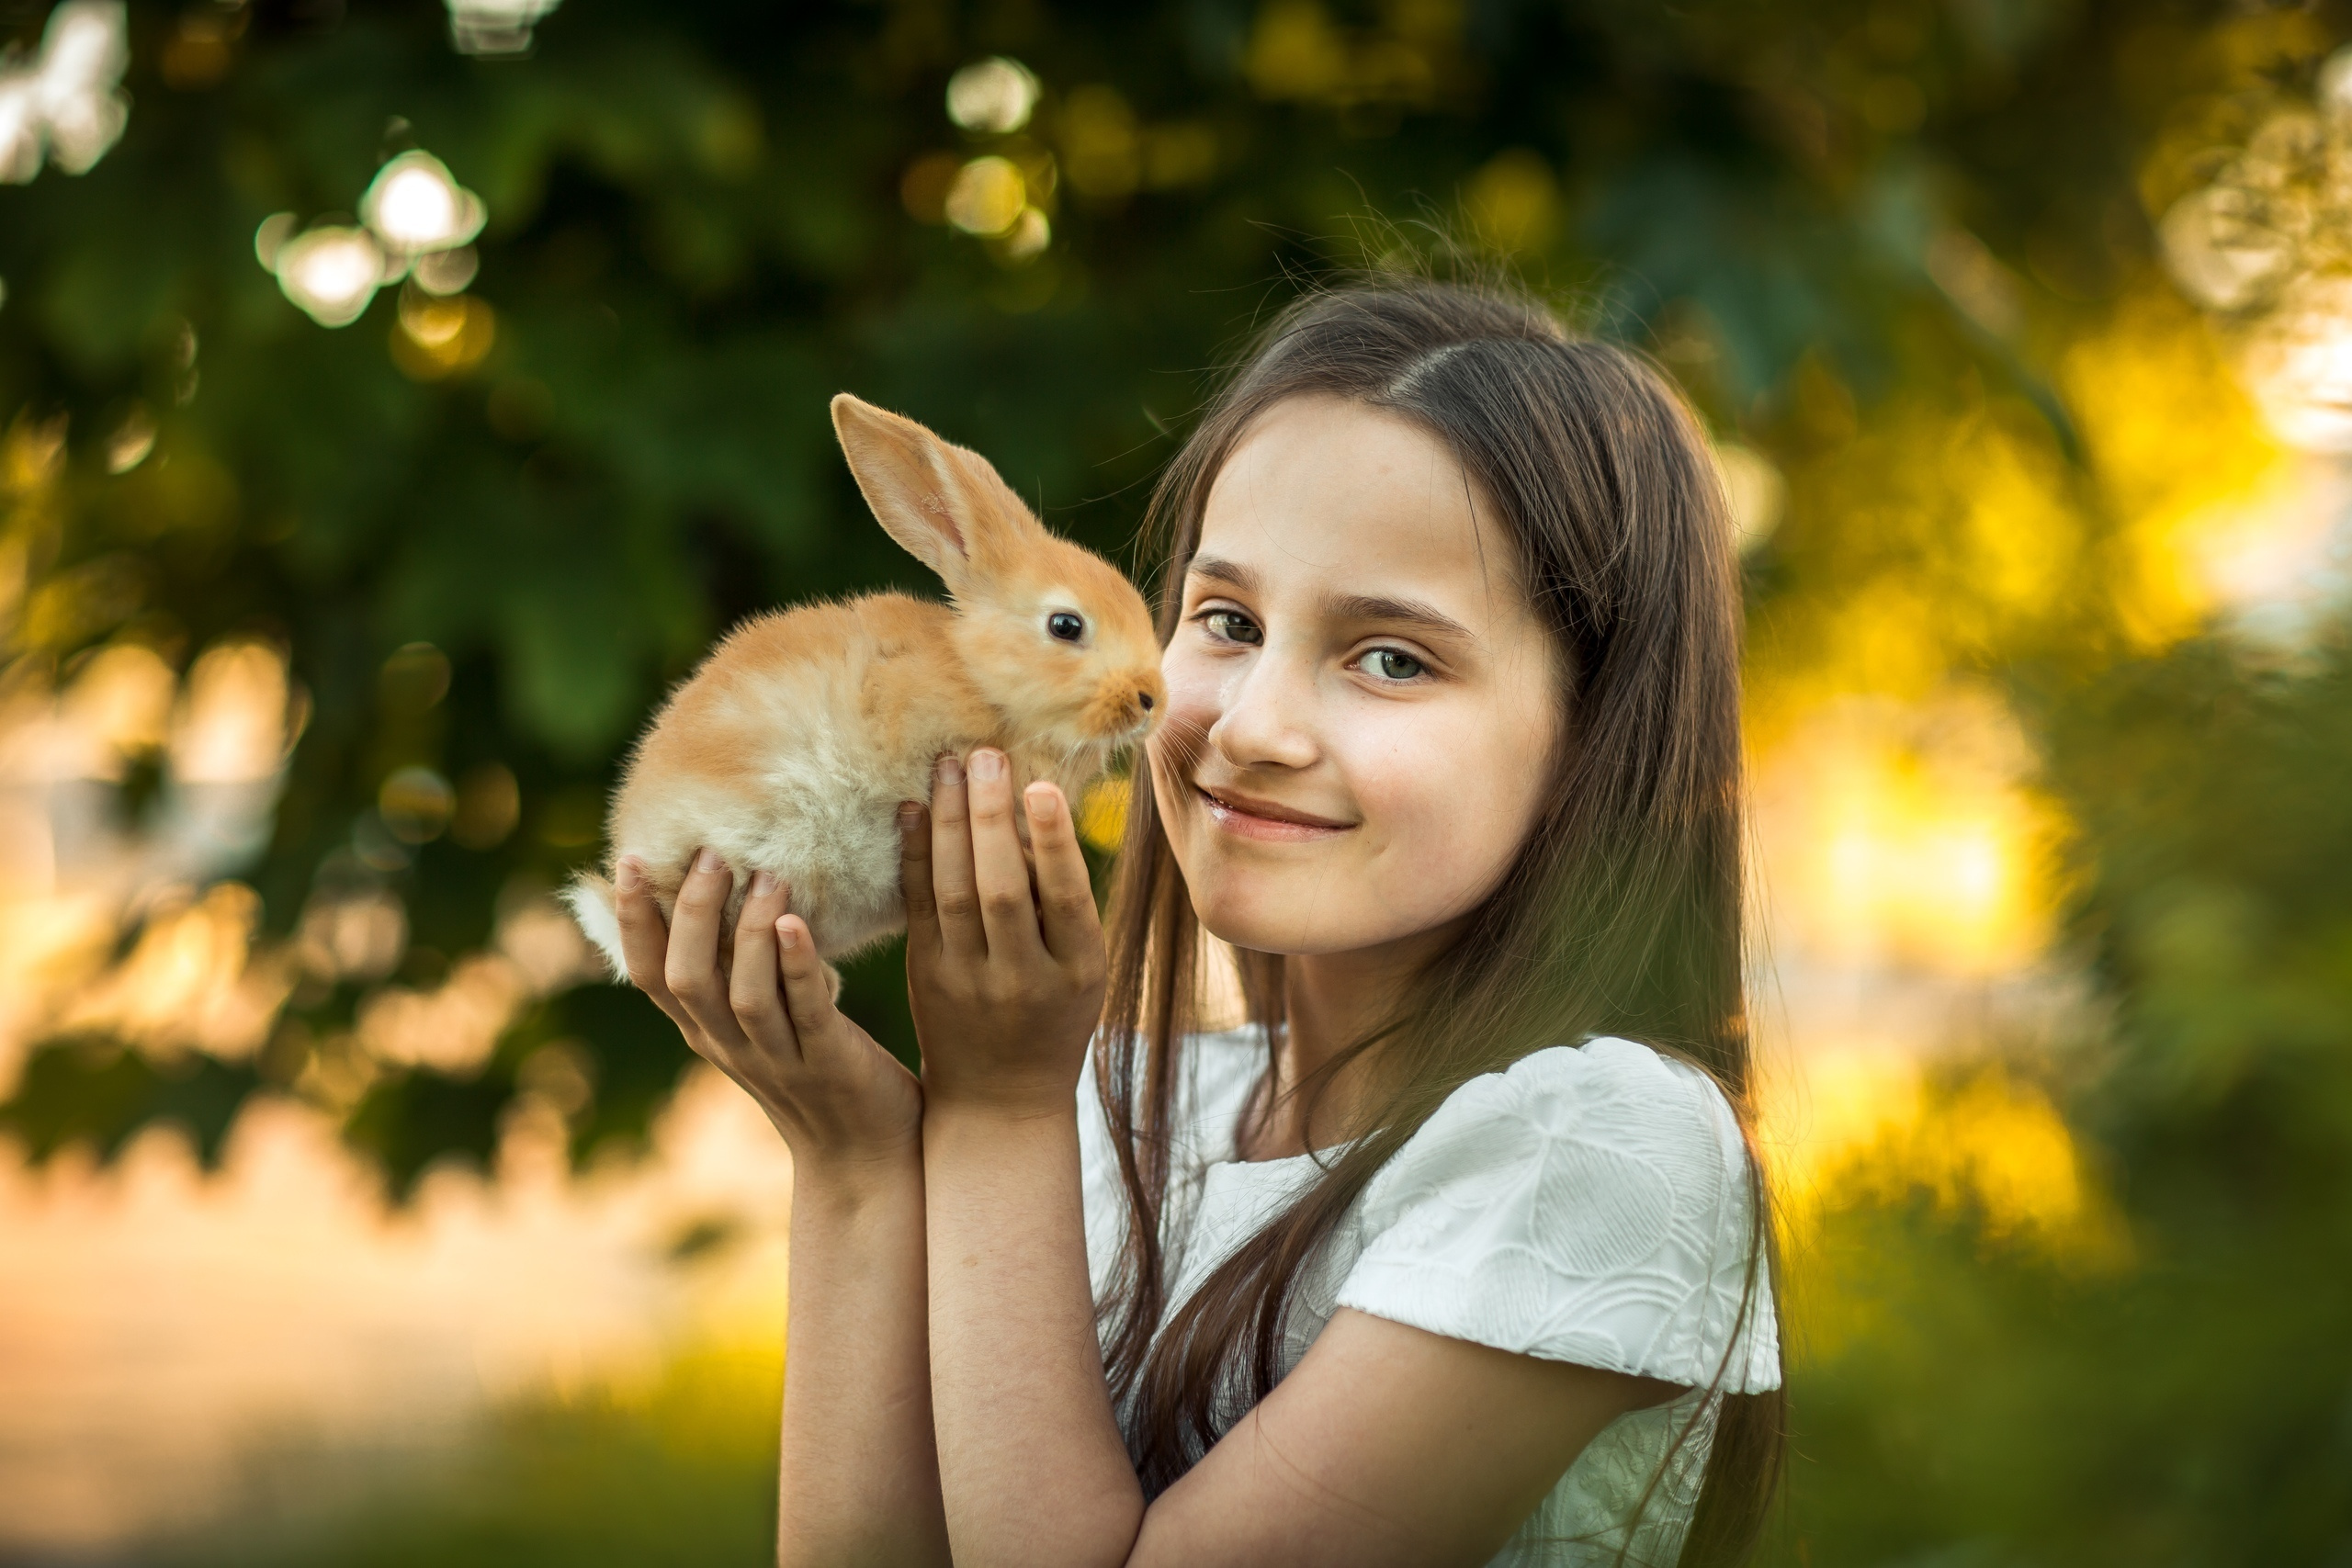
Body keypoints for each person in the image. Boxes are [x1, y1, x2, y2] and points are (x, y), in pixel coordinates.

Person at [611, 279, 1785, 1568]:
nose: (1243, 726)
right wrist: (856, 1156)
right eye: (1225, 622)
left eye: (1391, 657)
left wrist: (996, 1109)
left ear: (1592, 736)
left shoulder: (1597, 1146)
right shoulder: (1125, 1103)